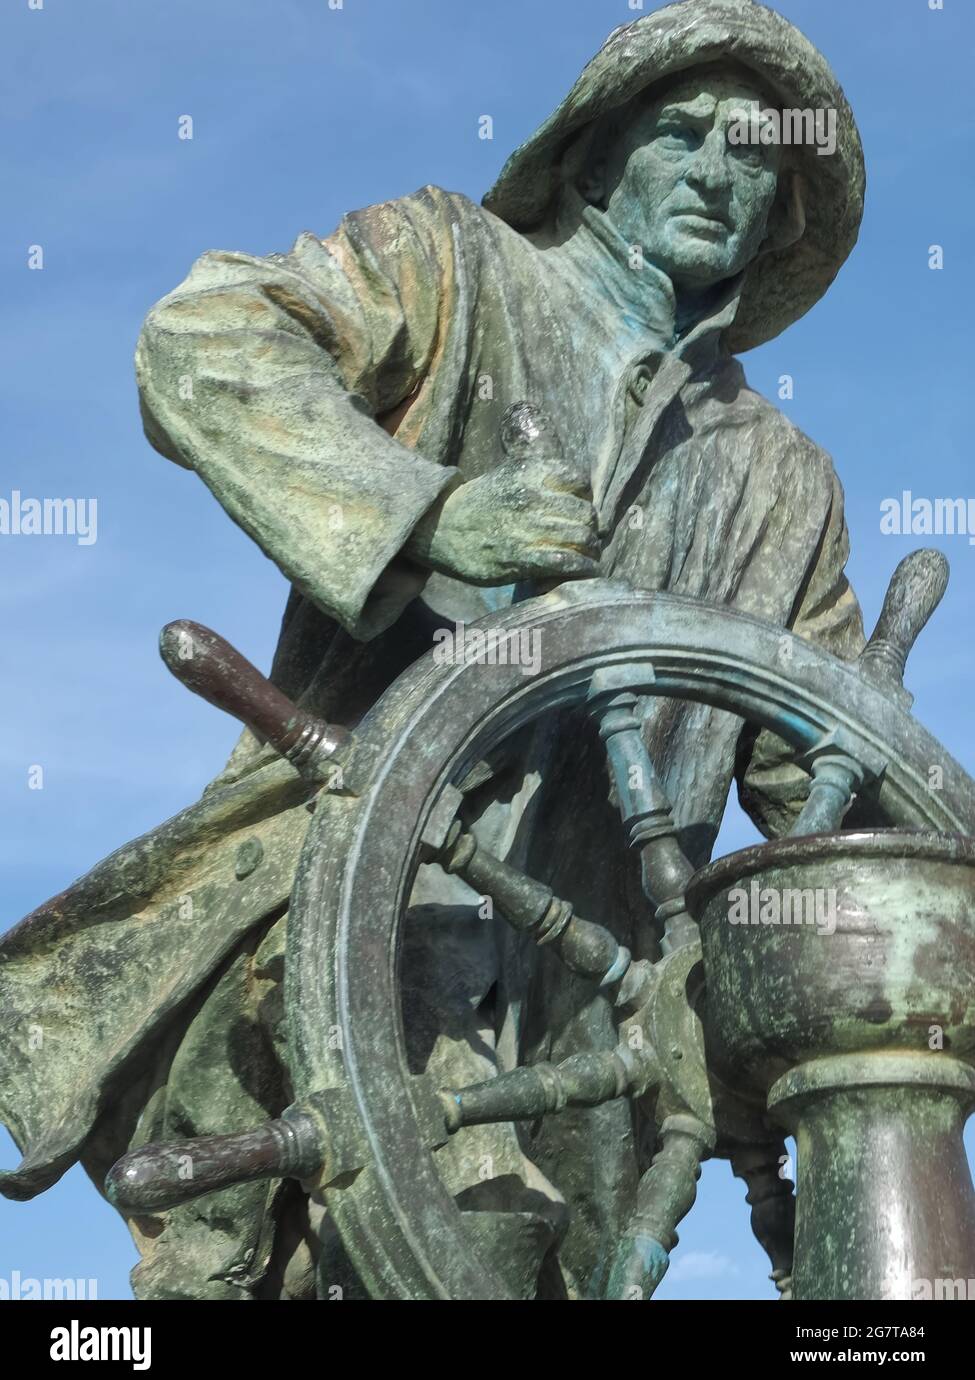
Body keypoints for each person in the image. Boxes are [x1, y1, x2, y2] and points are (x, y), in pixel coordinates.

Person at [0, 0, 867, 1298]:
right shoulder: (449, 267)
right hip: (341, 943)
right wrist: (428, 511)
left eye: (755, 155)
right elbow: (202, 336)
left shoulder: (785, 483)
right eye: (681, 134)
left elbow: (837, 804)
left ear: (782, 211)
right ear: (595, 154)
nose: (713, 172)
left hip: (595, 1057)